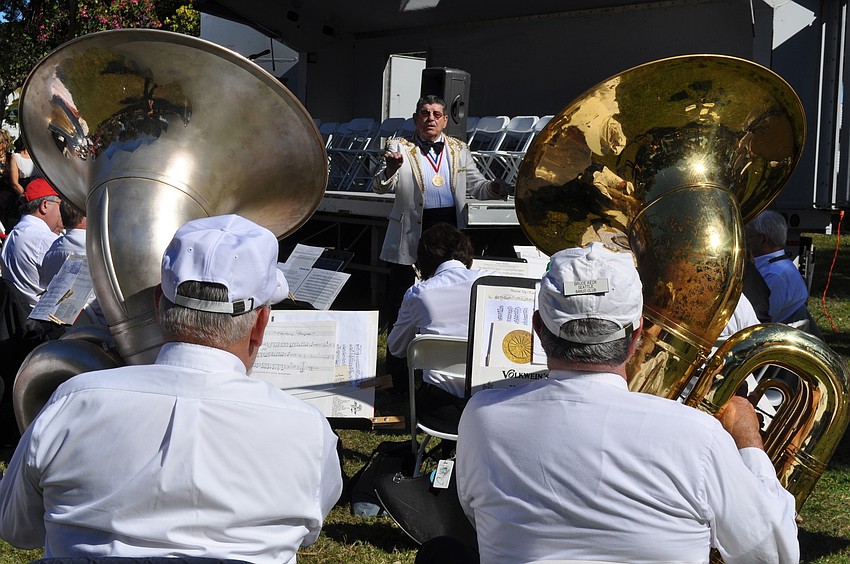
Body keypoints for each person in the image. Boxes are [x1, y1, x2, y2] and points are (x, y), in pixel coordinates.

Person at [0, 214, 343, 563]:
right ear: (260, 324)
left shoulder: (72, 402)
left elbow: (18, 530)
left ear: (157, 305)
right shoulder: (309, 430)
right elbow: (305, 532)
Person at [455, 242, 799, 564]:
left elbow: (476, 516)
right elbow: (773, 552)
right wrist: (749, 441)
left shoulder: (480, 419)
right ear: (638, 334)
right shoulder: (699, 436)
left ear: (538, 329)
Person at [371, 94, 510, 390]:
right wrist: (392, 169)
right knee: (401, 302)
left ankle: (448, 371)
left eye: (436, 113)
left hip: (449, 233)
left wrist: (495, 188)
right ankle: (400, 379)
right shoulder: (400, 148)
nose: (430, 118)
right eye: (424, 113)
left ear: (446, 120)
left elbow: (477, 186)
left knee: (451, 300)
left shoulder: (460, 149)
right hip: (411, 235)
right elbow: (381, 186)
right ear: (415, 119)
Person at [387, 223, 489, 433]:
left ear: (424, 258)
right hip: (495, 402)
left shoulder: (419, 294)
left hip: (443, 410)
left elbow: (396, 348)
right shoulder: (495, 281)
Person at [38, 200, 106, 325]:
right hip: (103, 326)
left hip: (69, 326)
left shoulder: (53, 248)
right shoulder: (97, 247)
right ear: (86, 215)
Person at [0, 178, 63, 307]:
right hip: (45, 322)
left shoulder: (14, 233)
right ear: (45, 205)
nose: (63, 212)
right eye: (60, 205)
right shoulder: (43, 238)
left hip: (23, 318)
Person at [745, 210, 811, 325]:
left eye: (747, 236)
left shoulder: (774, 276)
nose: (744, 241)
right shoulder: (780, 267)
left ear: (763, 239)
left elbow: (758, 320)